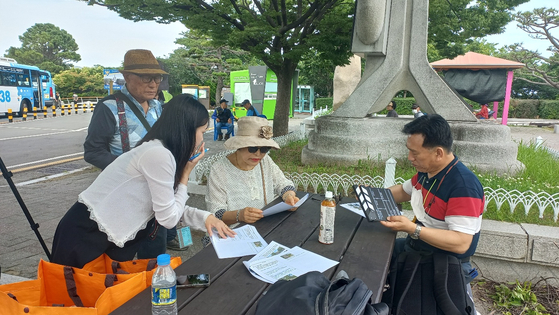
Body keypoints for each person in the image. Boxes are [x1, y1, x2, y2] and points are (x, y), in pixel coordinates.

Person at [50, 95, 235, 268]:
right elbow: (169, 218)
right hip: (87, 234)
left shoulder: (159, 150)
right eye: (202, 131)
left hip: (98, 234)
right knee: (79, 297)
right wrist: (186, 174)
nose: (202, 138)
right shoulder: (159, 154)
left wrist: (206, 218)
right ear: (186, 129)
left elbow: (166, 206)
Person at [83, 49, 175, 257]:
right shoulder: (109, 108)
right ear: (126, 77)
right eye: (146, 77)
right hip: (122, 198)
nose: (153, 84)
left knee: (154, 256)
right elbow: (93, 151)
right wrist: (126, 170)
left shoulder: (158, 107)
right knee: (120, 256)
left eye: (157, 78)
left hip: (154, 196)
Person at [380, 114, 484, 285]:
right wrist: (373, 195)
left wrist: (412, 229)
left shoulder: (463, 186)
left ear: (438, 153)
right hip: (418, 247)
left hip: (443, 262)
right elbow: (403, 192)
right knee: (371, 252)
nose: (409, 158)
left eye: (414, 153)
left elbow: (461, 242)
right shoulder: (427, 172)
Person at [205, 116, 299, 239]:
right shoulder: (219, 170)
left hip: (264, 229)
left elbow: (283, 183)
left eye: (264, 149)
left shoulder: (265, 161)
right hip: (231, 235)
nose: (258, 154)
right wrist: (239, 215)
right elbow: (216, 213)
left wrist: (289, 197)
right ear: (239, 146)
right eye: (253, 148)